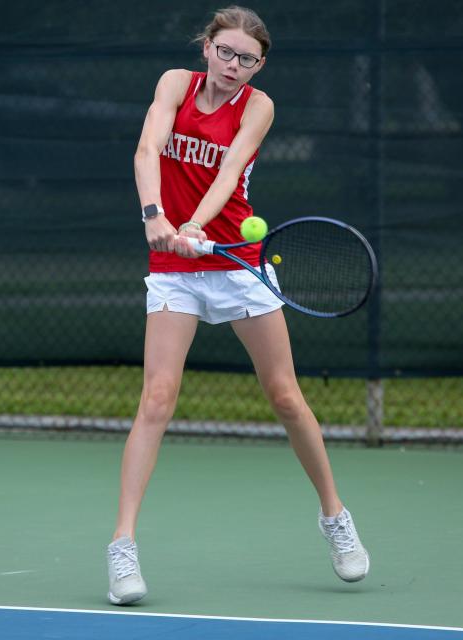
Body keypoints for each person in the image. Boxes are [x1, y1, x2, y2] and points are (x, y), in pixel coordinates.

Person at [107, 6, 369, 606]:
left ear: (260, 64)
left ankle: (334, 516)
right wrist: (156, 217)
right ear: (206, 48)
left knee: (284, 395)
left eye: (246, 59)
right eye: (225, 52)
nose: (233, 66)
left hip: (236, 265)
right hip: (175, 268)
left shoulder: (258, 107)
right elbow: (148, 150)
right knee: (156, 398)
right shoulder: (175, 84)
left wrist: (195, 222)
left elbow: (229, 172)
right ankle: (122, 547)